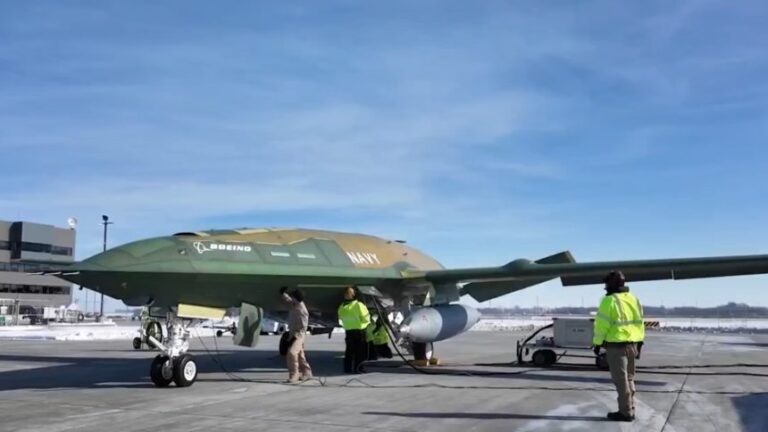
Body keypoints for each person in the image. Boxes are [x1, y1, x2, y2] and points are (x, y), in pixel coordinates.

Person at [593, 271, 645, 422]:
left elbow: (601, 325)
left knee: (621, 381)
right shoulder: (633, 298)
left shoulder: (609, 300)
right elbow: (640, 322)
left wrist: (597, 343)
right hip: (632, 345)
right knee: (629, 379)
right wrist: (640, 342)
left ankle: (625, 413)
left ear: (612, 284)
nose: (605, 287)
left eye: (607, 283)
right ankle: (630, 409)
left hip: (616, 347)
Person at [279, 286, 312, 383]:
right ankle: (307, 373)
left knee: (292, 353)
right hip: (293, 333)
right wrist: (283, 294)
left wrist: (295, 337)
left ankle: (294, 374)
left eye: (293, 297)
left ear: (296, 298)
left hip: (299, 335)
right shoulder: (295, 304)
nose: (291, 298)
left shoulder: (302, 311)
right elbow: (289, 300)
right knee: (300, 355)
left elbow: (303, 328)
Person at [337, 286, 371, 373]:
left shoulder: (342, 307)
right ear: (354, 295)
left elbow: (340, 319)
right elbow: (366, 318)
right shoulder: (359, 305)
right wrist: (366, 324)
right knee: (360, 352)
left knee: (349, 351)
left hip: (349, 331)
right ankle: (358, 369)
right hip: (360, 331)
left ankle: (347, 369)